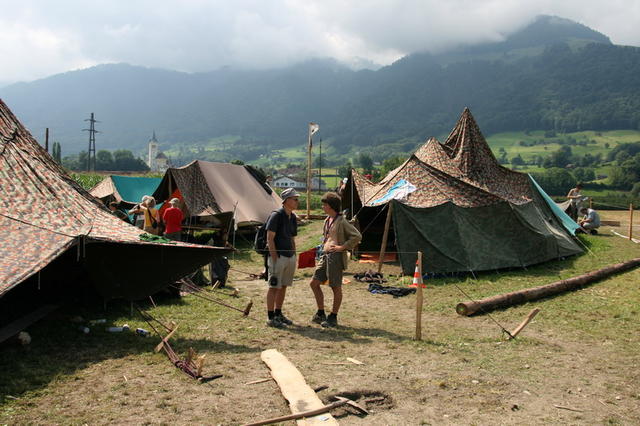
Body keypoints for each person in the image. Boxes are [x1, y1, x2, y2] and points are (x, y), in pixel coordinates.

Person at [309, 192, 362, 328]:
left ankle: (333, 316)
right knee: (314, 283)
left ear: (331, 206)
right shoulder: (327, 220)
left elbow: (357, 236)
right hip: (325, 256)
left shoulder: (342, 221)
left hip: (336, 257)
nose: (323, 207)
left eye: (325, 204)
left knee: (335, 286)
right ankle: (321, 312)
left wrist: (342, 247)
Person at [265, 188, 299, 328]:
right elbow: (270, 238)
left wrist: (294, 254)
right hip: (278, 257)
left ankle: (278, 313)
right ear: (286, 201)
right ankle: (270, 317)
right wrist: (274, 258)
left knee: (283, 286)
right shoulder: (276, 215)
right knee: (274, 287)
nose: (297, 201)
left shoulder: (293, 217)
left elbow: (291, 237)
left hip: (289, 256)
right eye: (295, 199)